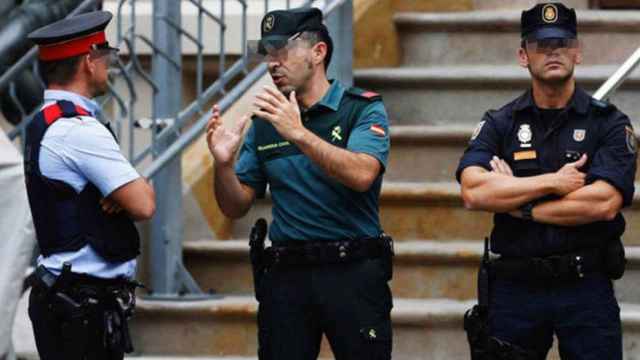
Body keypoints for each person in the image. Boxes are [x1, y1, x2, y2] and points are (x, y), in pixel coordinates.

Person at [206, 7, 393, 360]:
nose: (272, 63)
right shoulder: (266, 122)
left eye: (281, 51)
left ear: (318, 52)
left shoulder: (361, 109)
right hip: (286, 276)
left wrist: (299, 134)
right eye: (266, 53)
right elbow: (235, 205)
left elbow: (362, 174)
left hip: (351, 272)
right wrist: (224, 165)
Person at [457, 2, 636, 359]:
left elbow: (602, 203)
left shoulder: (610, 124)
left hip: (585, 286)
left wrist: (518, 206)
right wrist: (553, 182)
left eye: (562, 43)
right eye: (541, 45)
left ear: (578, 53)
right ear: (523, 56)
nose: (553, 52)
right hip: (515, 288)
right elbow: (474, 190)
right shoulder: (501, 123)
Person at [24, 11, 155, 360]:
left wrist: (118, 191)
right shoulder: (79, 129)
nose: (110, 65)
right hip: (81, 307)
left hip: (71, 301)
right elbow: (144, 204)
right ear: (89, 60)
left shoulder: (47, 120)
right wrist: (127, 189)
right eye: (106, 56)